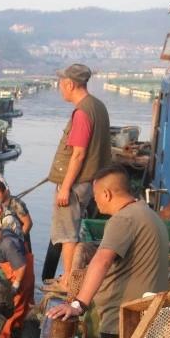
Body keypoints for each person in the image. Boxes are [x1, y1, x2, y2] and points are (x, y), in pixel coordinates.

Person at [47, 166, 169, 338]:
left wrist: (78, 305)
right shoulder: (148, 214)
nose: (95, 201)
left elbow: (102, 261)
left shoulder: (123, 219)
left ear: (106, 194)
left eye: (95, 196)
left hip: (123, 324)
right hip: (150, 317)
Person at [48, 63, 113, 290]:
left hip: (76, 183)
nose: (60, 88)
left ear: (70, 84)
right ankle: (69, 277)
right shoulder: (98, 106)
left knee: (67, 234)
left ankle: (68, 280)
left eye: (61, 83)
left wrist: (65, 187)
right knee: (71, 230)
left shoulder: (83, 112)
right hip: (90, 180)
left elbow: (78, 154)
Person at [0, 180, 33, 252]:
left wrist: (17, 240)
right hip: (2, 242)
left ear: (5, 192)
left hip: (17, 243)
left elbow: (28, 223)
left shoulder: (16, 203)